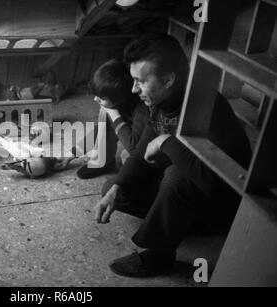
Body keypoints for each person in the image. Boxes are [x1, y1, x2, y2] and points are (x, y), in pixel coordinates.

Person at [94, 33, 252, 277]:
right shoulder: (161, 102)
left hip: (220, 207)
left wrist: (167, 142)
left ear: (168, 79)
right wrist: (117, 187)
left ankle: (160, 255)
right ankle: (174, 222)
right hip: (193, 198)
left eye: (141, 81)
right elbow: (140, 154)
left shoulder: (205, 107)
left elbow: (213, 182)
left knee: (176, 175)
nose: (134, 89)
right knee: (115, 188)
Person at [76, 59, 148, 179]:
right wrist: (71, 154)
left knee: (127, 159)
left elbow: (134, 147)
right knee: (105, 111)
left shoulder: (142, 109)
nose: (95, 100)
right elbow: (101, 131)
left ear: (119, 98)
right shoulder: (119, 100)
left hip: (146, 149)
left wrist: (114, 115)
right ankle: (103, 161)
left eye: (101, 97)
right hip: (132, 138)